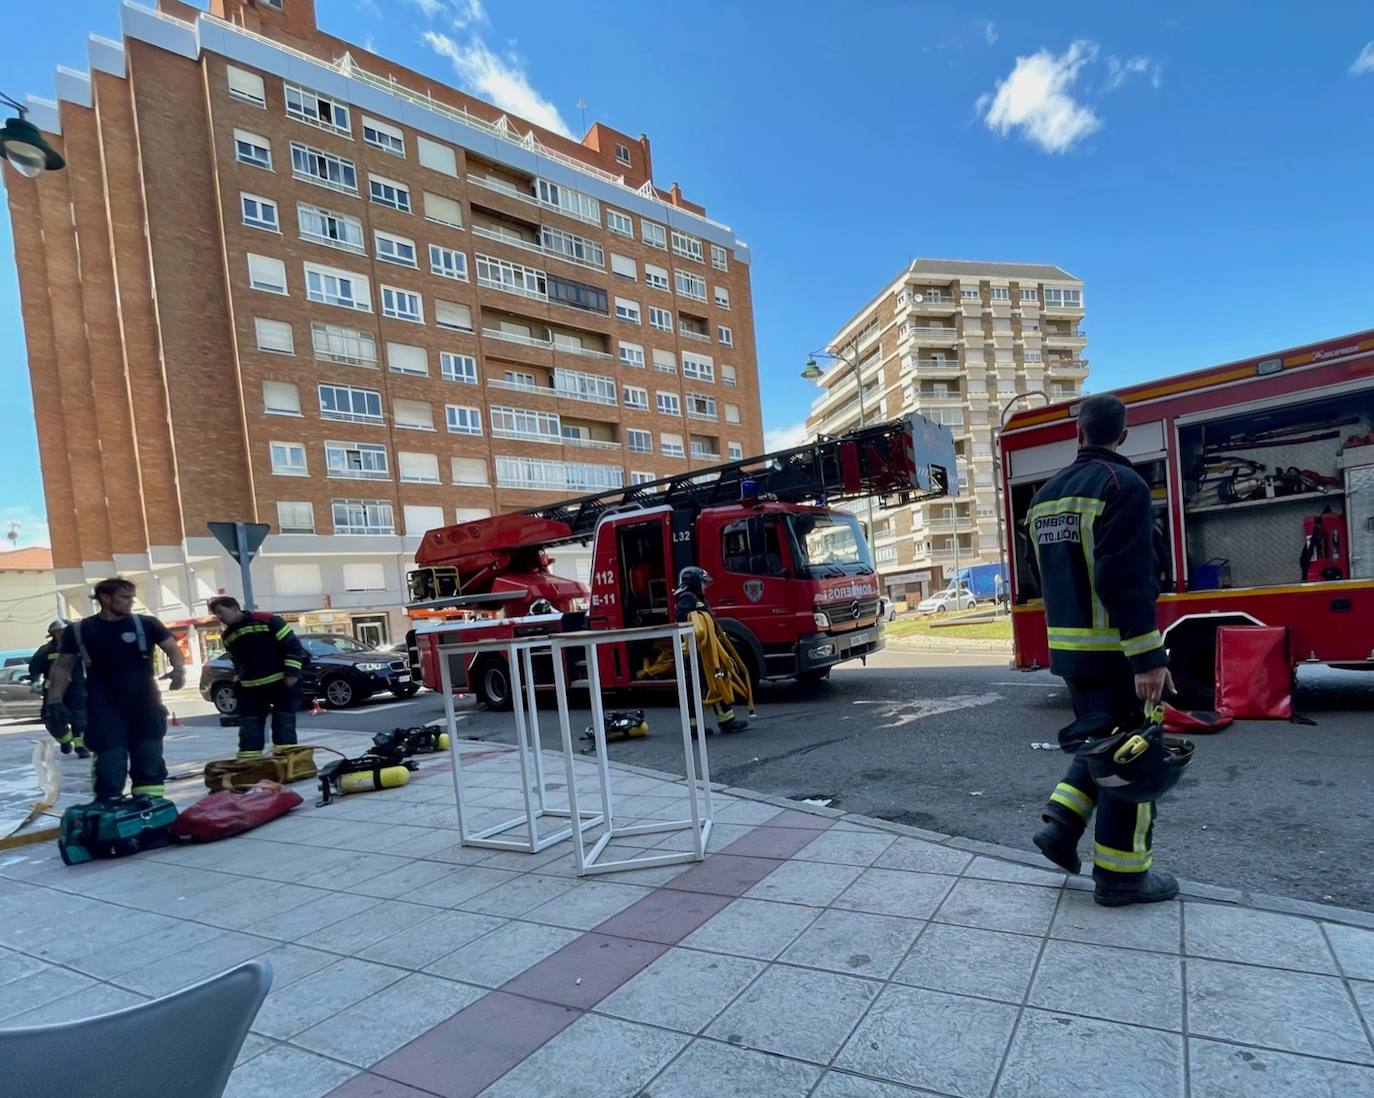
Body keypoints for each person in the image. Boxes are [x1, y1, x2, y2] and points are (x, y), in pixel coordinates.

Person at [1026, 393, 1179, 907]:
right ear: (1123, 434)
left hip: (1071, 653)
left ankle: (1061, 825)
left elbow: (1039, 574)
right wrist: (1148, 657)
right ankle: (1121, 878)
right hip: (1115, 652)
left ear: (1079, 434)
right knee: (1133, 759)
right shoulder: (1123, 485)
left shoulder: (1044, 495)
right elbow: (1125, 579)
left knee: (1103, 743)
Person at [47, 578, 184, 803]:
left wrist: (178, 669)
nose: (131, 602)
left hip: (145, 704)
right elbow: (62, 667)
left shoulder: (147, 624)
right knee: (109, 763)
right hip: (104, 707)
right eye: (125, 597)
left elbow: (171, 647)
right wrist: (54, 700)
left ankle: (149, 810)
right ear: (105, 598)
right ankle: (110, 809)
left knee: (149, 761)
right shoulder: (80, 630)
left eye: (132, 597)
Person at [208, 596, 306, 760]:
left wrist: (291, 674)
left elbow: (293, 646)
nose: (219, 617)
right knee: (249, 728)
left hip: (280, 683)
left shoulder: (268, 620)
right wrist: (239, 682)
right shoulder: (227, 635)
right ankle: (250, 764)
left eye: (220, 612)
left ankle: (287, 763)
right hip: (250, 688)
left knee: (284, 725)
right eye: (216, 614)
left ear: (234, 608)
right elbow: (237, 661)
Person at [675, 566, 750, 734]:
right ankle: (694, 728)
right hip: (694, 653)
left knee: (714, 683)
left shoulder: (694, 598)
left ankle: (726, 720)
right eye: (703, 583)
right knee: (697, 688)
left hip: (702, 652)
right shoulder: (687, 599)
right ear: (694, 582)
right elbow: (687, 621)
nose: (705, 587)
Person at [29, 620, 90, 758]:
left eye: (63, 631)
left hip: (76, 688)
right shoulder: (45, 650)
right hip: (53, 690)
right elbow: (35, 668)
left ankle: (80, 747)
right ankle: (65, 740)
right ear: (52, 634)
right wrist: (34, 681)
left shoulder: (80, 648)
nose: (61, 634)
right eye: (57, 632)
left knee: (79, 717)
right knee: (53, 719)